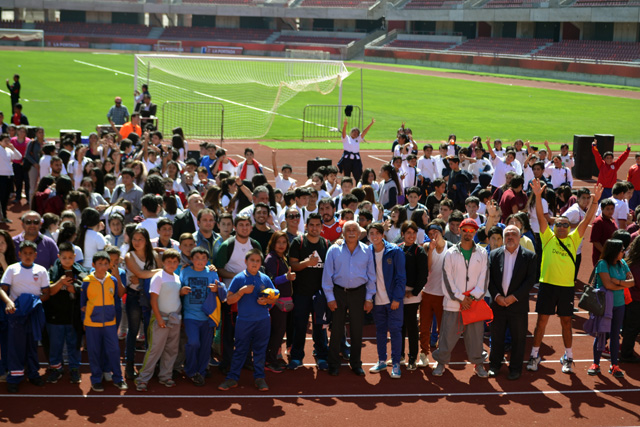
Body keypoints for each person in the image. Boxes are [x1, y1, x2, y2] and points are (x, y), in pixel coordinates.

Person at [527, 180, 602, 374]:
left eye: (565, 224)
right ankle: (534, 355)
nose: (561, 227)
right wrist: (537, 196)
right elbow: (540, 217)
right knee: (541, 322)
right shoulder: (547, 237)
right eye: (558, 224)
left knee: (566, 322)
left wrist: (595, 202)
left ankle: (568, 357)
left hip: (566, 288)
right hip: (547, 286)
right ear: (554, 226)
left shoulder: (574, 239)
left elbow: (587, 220)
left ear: (569, 227)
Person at [432, 218, 489, 378]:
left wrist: (471, 298)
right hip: (453, 304)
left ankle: (478, 364)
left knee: (476, 338)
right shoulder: (450, 253)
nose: (468, 233)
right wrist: (460, 299)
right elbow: (447, 279)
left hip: (474, 304)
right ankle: (441, 362)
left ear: (475, 232)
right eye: (465, 230)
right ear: (460, 231)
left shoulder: (482, 253)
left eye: (471, 231)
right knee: (447, 336)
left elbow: (484, 279)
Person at [218, 249, 277, 392]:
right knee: (240, 350)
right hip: (244, 321)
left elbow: (274, 297)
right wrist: (242, 291)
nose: (255, 263)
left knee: (260, 350)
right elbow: (229, 300)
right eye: (252, 260)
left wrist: (267, 301)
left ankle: (259, 378)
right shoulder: (238, 278)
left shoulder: (265, 279)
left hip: (263, 321)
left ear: (261, 263)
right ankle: (232, 378)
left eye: (257, 261)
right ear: (246, 261)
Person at [322, 221, 376, 376]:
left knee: (357, 330)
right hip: (338, 292)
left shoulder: (367, 251)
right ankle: (333, 363)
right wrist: (330, 298)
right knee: (336, 329)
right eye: (348, 230)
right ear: (343, 233)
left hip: (359, 293)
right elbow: (327, 276)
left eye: (354, 230)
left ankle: (356, 363)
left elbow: (371, 276)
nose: (351, 232)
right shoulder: (334, 250)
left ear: (359, 233)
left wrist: (369, 298)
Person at [487, 225, 537, 380]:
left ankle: (515, 369)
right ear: (503, 238)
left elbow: (530, 281)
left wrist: (513, 297)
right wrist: (497, 297)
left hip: (518, 305)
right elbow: (489, 279)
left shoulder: (529, 256)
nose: (510, 237)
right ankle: (495, 365)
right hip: (498, 304)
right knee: (497, 337)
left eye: (513, 234)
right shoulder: (494, 255)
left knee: (518, 339)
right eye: (507, 234)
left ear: (519, 237)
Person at [0, 241, 50, 393]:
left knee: (32, 345)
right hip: (16, 313)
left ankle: (33, 374)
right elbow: (2, 289)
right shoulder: (12, 269)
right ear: (19, 254)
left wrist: (34, 302)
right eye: (25, 253)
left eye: (31, 253)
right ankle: (14, 377)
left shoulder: (41, 270)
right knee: (16, 346)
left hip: (33, 313)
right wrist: (9, 302)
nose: (28, 256)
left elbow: (46, 293)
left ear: (35, 255)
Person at [135, 249, 186, 392]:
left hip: (175, 319)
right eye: (169, 261)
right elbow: (153, 299)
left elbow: (174, 296)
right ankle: (142, 378)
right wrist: (158, 318)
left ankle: (165, 376)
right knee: (154, 350)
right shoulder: (158, 277)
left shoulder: (177, 278)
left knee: (171, 349)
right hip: (161, 319)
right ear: (163, 262)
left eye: (175, 262)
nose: (172, 264)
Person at [585, 239, 635, 378]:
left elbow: (632, 282)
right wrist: (622, 284)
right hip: (604, 305)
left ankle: (614, 365)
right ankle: (595, 364)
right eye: (622, 250)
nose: (624, 252)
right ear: (614, 251)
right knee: (601, 333)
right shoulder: (602, 264)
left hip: (619, 305)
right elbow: (608, 285)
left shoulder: (623, 263)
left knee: (615, 335)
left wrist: (617, 282)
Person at [288, 213, 331, 370]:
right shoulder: (298, 242)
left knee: (320, 327)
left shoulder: (326, 244)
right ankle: (296, 357)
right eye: (311, 225)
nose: (314, 228)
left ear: (322, 227)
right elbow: (293, 265)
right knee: (300, 326)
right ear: (306, 226)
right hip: (301, 293)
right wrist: (307, 263)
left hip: (320, 294)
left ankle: (321, 356)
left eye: (317, 225)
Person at [81, 251, 127, 392]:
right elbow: (83, 304)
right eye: (99, 263)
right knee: (94, 352)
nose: (102, 266)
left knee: (114, 350)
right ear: (93, 265)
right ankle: (96, 379)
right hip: (92, 324)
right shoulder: (86, 281)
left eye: (105, 263)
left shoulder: (112, 280)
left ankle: (118, 378)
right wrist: (84, 321)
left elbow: (115, 299)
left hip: (109, 323)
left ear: (109, 265)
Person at [43, 242, 87, 385]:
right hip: (55, 316)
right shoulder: (52, 271)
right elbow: (48, 291)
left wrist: (74, 288)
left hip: (73, 317)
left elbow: (86, 290)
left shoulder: (81, 271)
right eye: (64, 257)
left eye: (70, 257)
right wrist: (61, 282)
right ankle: (56, 369)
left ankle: (74, 369)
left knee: (74, 345)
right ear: (58, 257)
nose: (67, 260)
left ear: (74, 256)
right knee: (55, 345)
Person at [367, 223, 406, 378]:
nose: (374, 236)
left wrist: (397, 298)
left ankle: (396, 363)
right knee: (380, 331)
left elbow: (401, 277)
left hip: (392, 300)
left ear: (383, 234)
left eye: (377, 233)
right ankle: (382, 360)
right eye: (371, 233)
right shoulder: (367, 251)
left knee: (395, 331)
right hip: (377, 300)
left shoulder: (395, 251)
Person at [123, 227, 162, 380]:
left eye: (140, 239)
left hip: (151, 297)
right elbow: (141, 273)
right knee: (133, 331)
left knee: (149, 331)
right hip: (134, 296)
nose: (137, 242)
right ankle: (129, 364)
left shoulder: (154, 255)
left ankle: (150, 365)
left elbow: (163, 271)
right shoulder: (129, 255)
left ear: (146, 241)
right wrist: (154, 273)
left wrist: (142, 277)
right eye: (134, 239)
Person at [263, 231, 296, 373]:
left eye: (284, 242)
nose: (281, 245)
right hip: (276, 302)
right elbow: (270, 280)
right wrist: (286, 277)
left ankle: (272, 358)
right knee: (277, 331)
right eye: (278, 242)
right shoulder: (271, 259)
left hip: (283, 300)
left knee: (279, 331)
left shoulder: (282, 258)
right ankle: (269, 360)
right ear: (273, 243)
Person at [338, 118, 374, 183]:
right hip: (347, 159)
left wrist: (371, 124)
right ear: (351, 132)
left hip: (356, 160)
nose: (355, 133)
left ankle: (358, 187)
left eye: (357, 133)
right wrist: (345, 125)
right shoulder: (346, 138)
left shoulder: (358, 139)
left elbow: (364, 132)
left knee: (358, 176)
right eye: (354, 131)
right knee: (347, 176)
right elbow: (343, 133)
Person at [621, 237, 640, 363]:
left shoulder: (629, 262)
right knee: (632, 329)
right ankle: (626, 354)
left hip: (629, 300)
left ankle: (626, 352)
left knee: (630, 327)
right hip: (636, 301)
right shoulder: (636, 265)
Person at [0, 133, 21, 221]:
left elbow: (19, 157)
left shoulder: (9, 150)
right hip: (1, 176)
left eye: (8, 140)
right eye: (5, 141)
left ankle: (4, 216)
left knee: (6, 197)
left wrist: (13, 148)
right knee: (2, 197)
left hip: (9, 176)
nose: (7, 142)